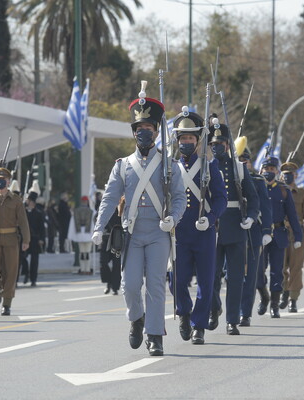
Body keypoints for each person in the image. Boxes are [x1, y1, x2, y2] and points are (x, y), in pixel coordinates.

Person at [92, 86, 186, 356]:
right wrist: (99, 226)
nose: (143, 132)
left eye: (148, 127)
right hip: (131, 231)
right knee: (130, 285)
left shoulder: (169, 165)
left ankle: (155, 335)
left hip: (158, 230)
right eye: (139, 127)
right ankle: (136, 319)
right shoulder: (122, 165)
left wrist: (173, 218)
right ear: (133, 132)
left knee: (155, 284)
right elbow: (110, 197)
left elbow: (179, 197)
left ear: (157, 131)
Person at [168, 107, 227, 345]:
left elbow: (221, 198)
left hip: (203, 232)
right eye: (183, 138)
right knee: (176, 280)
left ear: (197, 141)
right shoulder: (170, 167)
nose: (186, 142)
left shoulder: (209, 166)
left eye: (191, 138)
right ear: (178, 140)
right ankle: (184, 313)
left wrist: (211, 218)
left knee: (206, 281)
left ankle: (198, 326)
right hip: (179, 233)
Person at [207, 115, 259, 335]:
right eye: (213, 144)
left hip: (236, 226)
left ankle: (232, 320)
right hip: (211, 226)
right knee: (210, 276)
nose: (217, 147)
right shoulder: (204, 166)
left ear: (228, 145)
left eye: (220, 144)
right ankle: (214, 309)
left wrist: (251, 216)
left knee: (235, 278)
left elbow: (253, 197)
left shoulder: (238, 168)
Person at [256, 156, 302, 318]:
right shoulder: (256, 187)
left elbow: (292, 214)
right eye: (266, 169)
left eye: (272, 169)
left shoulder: (283, 190)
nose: (269, 172)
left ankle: (274, 305)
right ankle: (264, 296)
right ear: (261, 170)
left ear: (277, 171)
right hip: (260, 235)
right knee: (258, 270)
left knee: (277, 271)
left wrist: (298, 236)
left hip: (279, 234)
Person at [235, 137, 273, 328]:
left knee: (250, 276)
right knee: (231, 275)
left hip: (254, 233)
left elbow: (265, 207)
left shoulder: (258, 180)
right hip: (233, 232)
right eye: (239, 159)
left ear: (249, 161)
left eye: (245, 159)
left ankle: (244, 314)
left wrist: (267, 230)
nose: (242, 162)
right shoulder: (229, 177)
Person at [0, 167, 30, 315]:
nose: (0, 182)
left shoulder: (16, 200)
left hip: (11, 239)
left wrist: (26, 239)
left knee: (10, 272)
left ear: (9, 182)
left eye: (3, 179)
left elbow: (23, 221)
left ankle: (7, 303)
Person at [279, 162, 304, 313]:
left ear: (296, 175)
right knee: (279, 266)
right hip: (280, 232)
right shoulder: (276, 191)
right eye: (285, 173)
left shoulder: (302, 193)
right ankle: (283, 293)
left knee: (295, 267)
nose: (287, 176)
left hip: (297, 233)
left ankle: (293, 299)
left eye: (290, 173)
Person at [22, 188, 45, 286]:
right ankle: (26, 272)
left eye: (29, 200)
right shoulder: (23, 212)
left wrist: (41, 239)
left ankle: (33, 279)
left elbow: (42, 228)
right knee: (22, 258)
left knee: (34, 260)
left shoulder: (39, 213)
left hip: (35, 239)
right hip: (25, 238)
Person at [100, 198, 123, 295]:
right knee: (103, 262)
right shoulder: (104, 205)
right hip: (105, 238)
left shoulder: (122, 204)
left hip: (117, 238)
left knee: (116, 264)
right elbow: (98, 218)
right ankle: (108, 282)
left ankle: (115, 287)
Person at [69, 195, 94, 275]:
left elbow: (72, 224)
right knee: (87, 253)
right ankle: (87, 269)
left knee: (82, 253)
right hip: (88, 234)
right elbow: (93, 224)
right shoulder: (91, 211)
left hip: (79, 233)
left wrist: (72, 235)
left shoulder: (76, 211)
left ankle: (83, 269)